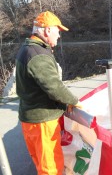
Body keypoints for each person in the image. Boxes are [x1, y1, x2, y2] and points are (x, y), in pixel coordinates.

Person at [15, 11, 83, 175]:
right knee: (50, 169)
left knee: (41, 164)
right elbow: (54, 88)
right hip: (42, 122)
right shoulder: (38, 55)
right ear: (46, 31)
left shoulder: (27, 48)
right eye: (57, 31)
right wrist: (74, 101)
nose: (59, 36)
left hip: (30, 119)